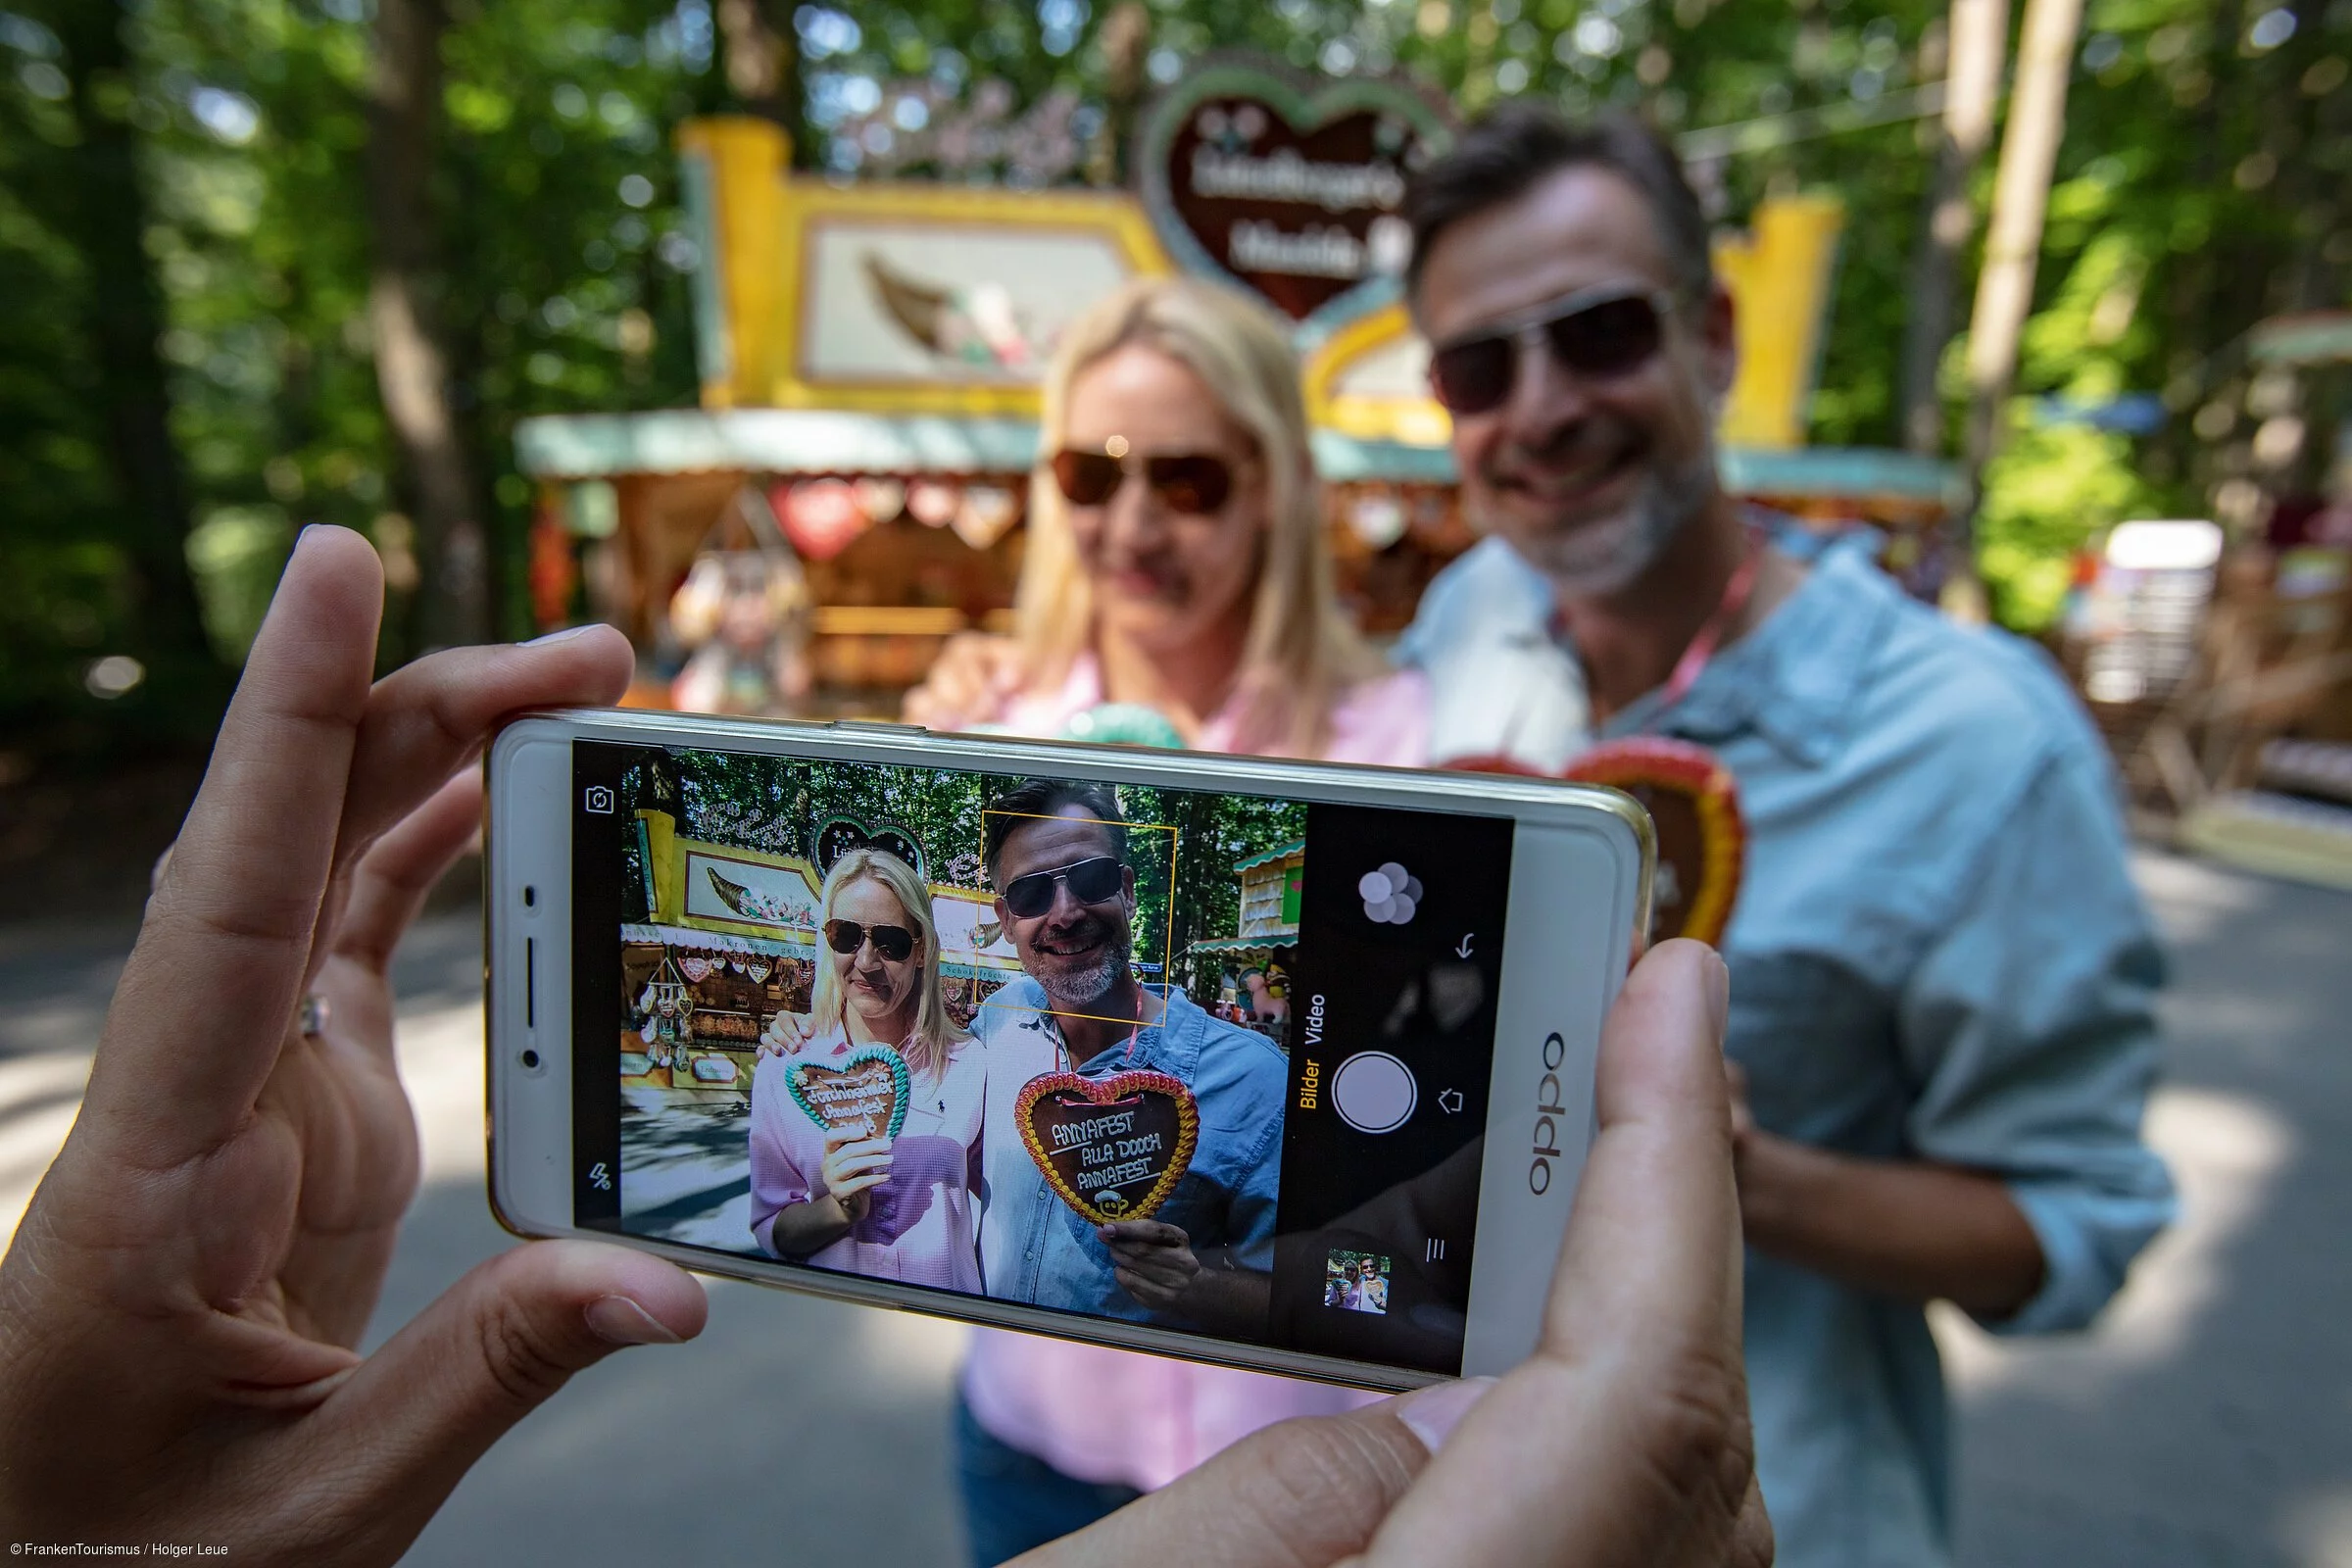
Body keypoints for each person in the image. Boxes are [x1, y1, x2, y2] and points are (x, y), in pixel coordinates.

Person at [0, 526, 1771, 1567]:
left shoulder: (1217, 1044)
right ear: (990, 940)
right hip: (1036, 1438)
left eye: (1092, 890)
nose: (1060, 921)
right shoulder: (949, 1046)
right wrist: (827, 1212)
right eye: (1024, 906)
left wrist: (1223, 1273)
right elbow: (813, 1216)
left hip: (1347, 1433)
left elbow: (1282, 1245)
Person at [1392, 105, 2176, 1565]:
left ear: (1715, 338)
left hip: (1778, 1519)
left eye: (1604, 333)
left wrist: (1728, 1160)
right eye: (1480, 367)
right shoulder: (1472, 621)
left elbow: (2071, 1226)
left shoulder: (1975, 745)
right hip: (1423, 1496)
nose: (1543, 407)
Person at [903, 276, 1436, 1563]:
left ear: (1277, 487)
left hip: (1317, 1451)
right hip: (1039, 1432)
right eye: (1091, 473)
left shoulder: (1409, 747)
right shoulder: (984, 736)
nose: (1131, 521)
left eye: (1188, 478)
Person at [968, 778, 1281, 1332]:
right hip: (992, 1380)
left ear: (1128, 892)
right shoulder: (997, 1023)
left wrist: (1198, 1286)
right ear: (1006, 917)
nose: (1064, 914)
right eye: (1031, 895)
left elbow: (1309, 1298)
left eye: (1090, 879)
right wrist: (811, 1032)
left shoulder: (1254, 1081)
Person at [750, 847, 983, 1289]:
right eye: (846, 935)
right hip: (835, 1331)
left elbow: (1008, 1200)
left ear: (921, 950)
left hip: (944, 1331)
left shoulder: (971, 1064)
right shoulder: (788, 1068)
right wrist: (838, 1209)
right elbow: (773, 1227)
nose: (866, 961)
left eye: (890, 942)